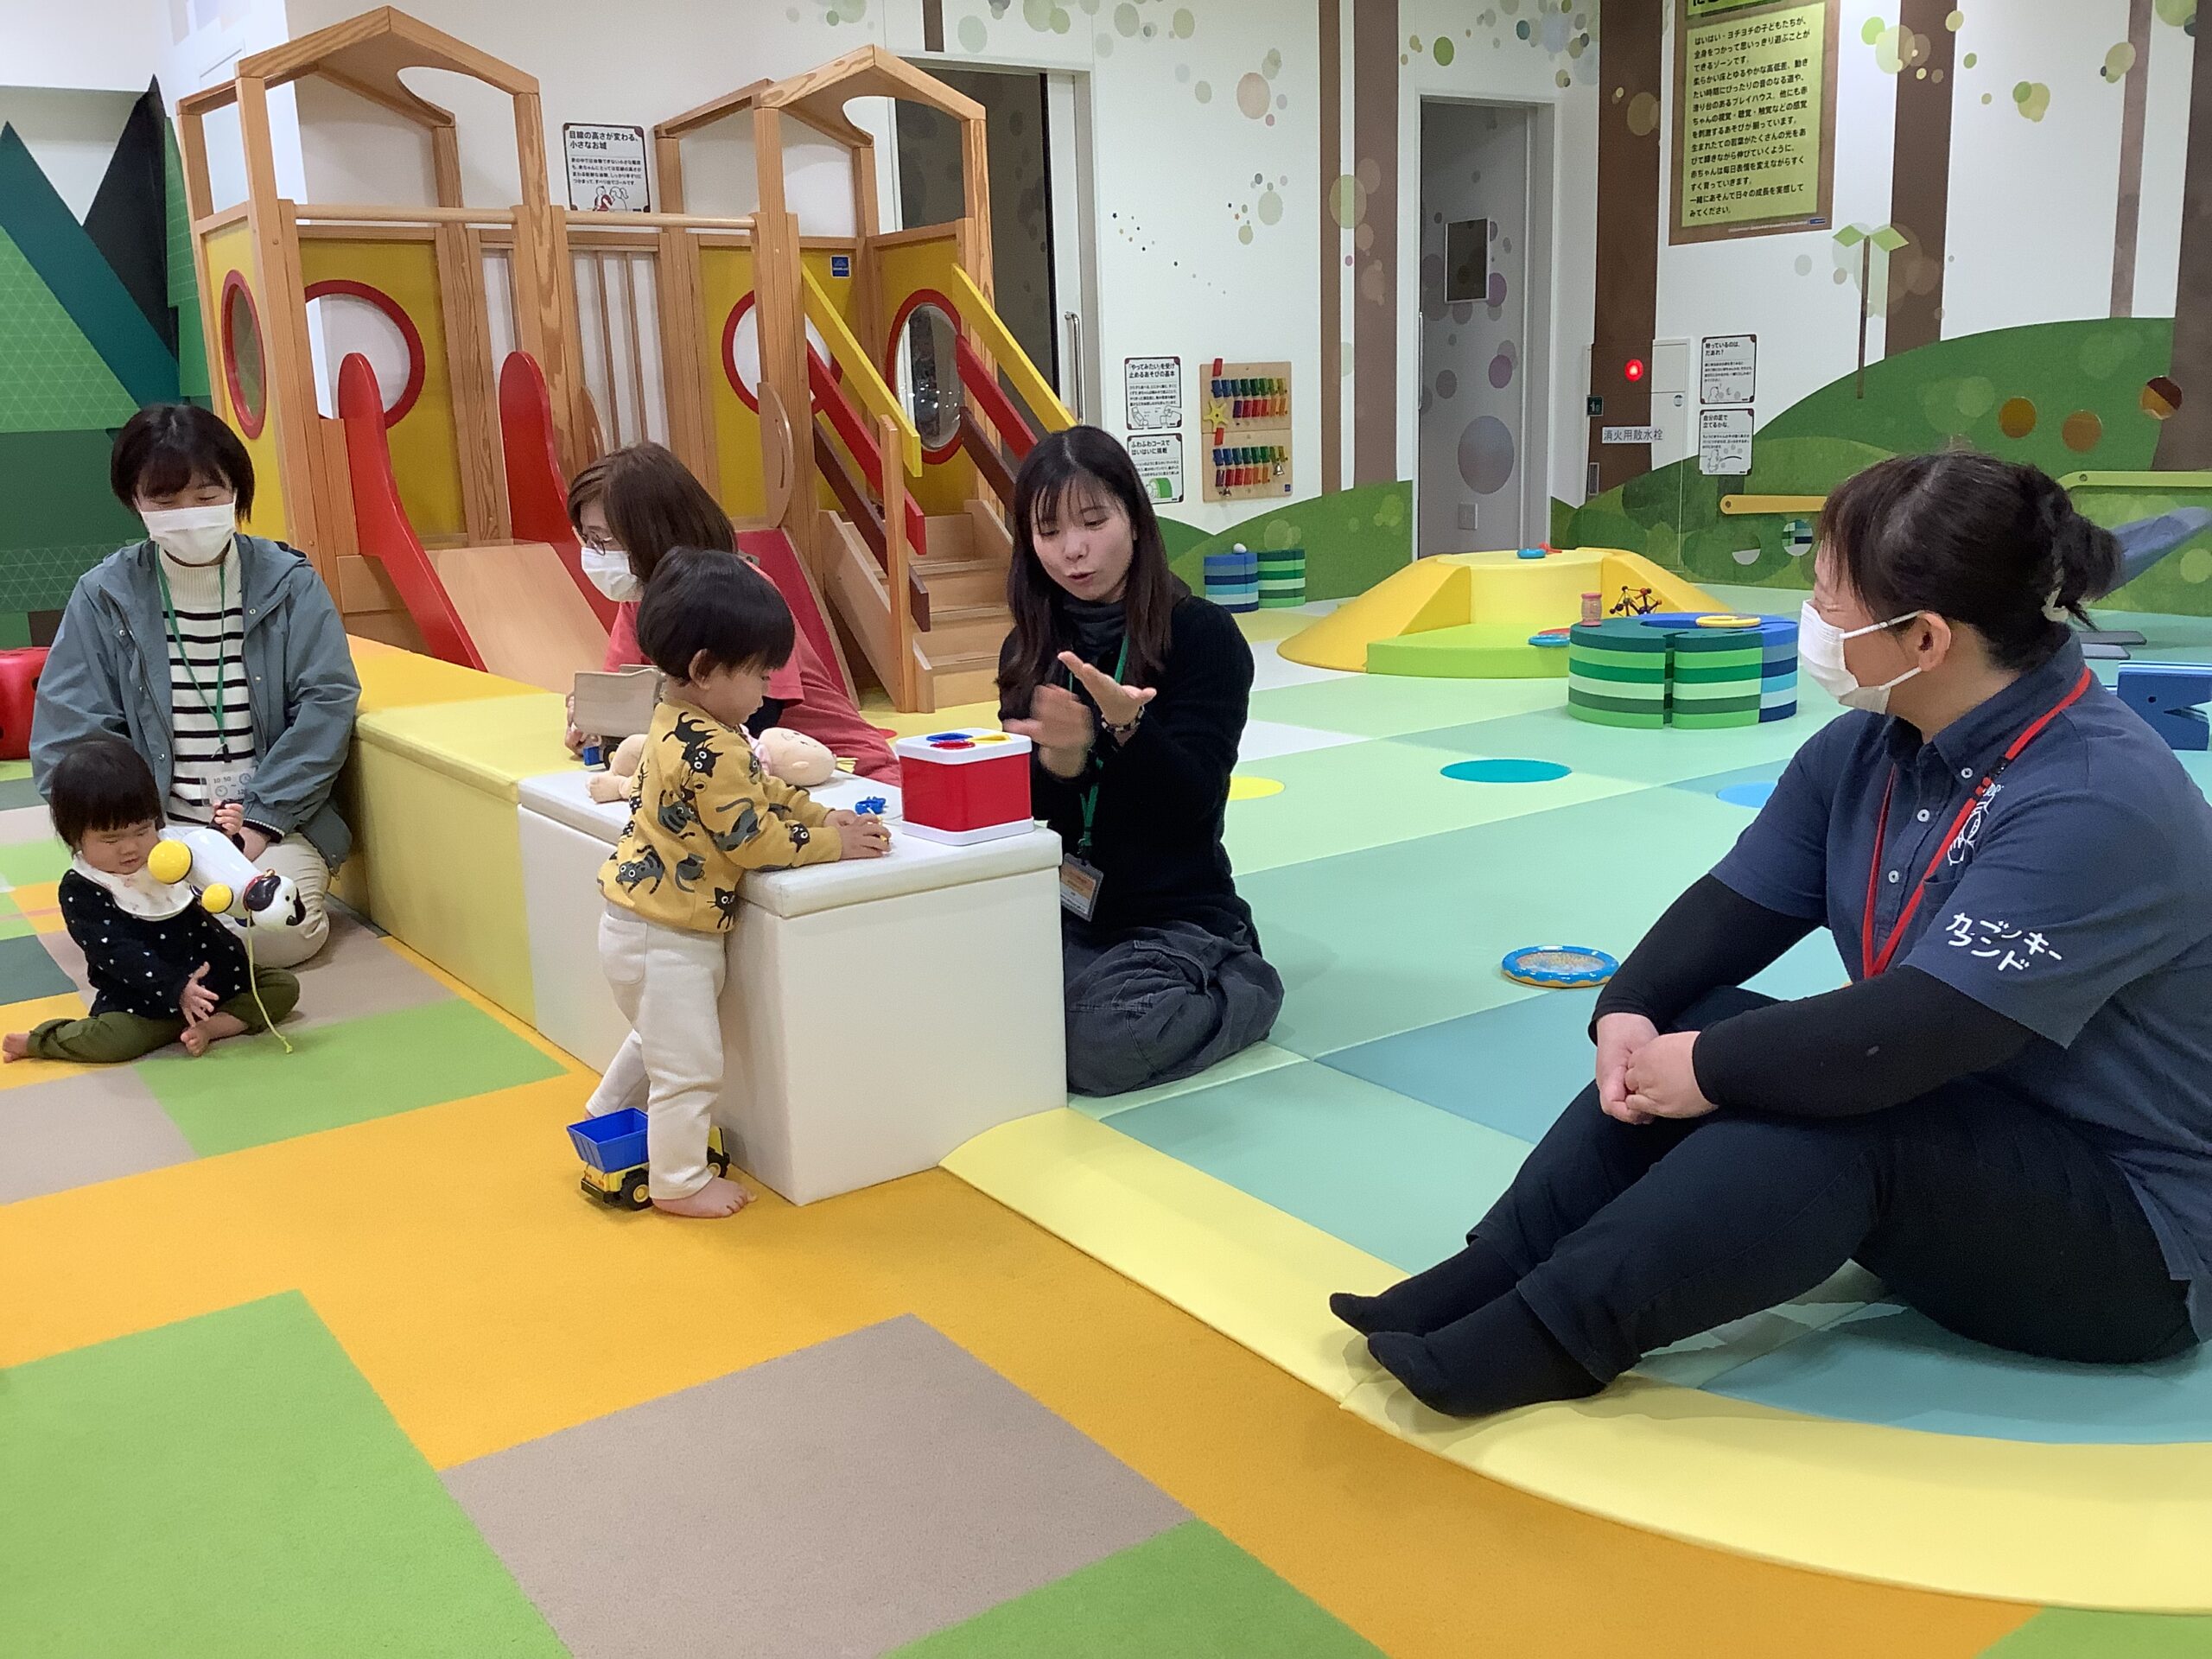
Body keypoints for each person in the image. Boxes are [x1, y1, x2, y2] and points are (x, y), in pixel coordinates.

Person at [1334, 454, 2212, 1418]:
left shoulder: (2095, 797)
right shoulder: (1871, 745)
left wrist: (1706, 1069)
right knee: (1710, 1020)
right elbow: (1733, 907)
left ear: (1924, 638)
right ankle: (1496, 1268)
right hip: (1969, 1124)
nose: (1814, 617)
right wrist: (1630, 1010)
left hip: (2136, 1237)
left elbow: (1921, 1032)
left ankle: (1549, 1334)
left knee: (1831, 1099)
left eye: (1830, 597)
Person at [586, 547, 891, 1217]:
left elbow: (763, 789)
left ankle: (604, 1117)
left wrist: (820, 813)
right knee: (689, 1068)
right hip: (666, 936)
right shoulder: (717, 746)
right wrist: (832, 844)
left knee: (655, 1039)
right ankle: (678, 1182)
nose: (765, 691)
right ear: (704, 670)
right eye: (757, 674)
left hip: (636, 923)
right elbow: (752, 841)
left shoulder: (679, 721)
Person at [997, 426, 1283, 1097]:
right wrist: (1061, 762)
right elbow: (1030, 814)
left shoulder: (1201, 635)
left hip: (1173, 915)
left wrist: (1128, 728)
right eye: (1049, 532)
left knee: (1100, 1040)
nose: (1073, 549)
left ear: (1133, 519)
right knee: (962, 1002)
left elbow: (1193, 807)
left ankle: (1240, 981)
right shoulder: (1028, 647)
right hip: (1065, 908)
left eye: (1094, 522)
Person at [31, 405, 359, 969]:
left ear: (236, 492)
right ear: (134, 501)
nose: (188, 515)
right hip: (152, 831)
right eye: (165, 501)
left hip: (275, 823)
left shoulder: (290, 583)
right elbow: (70, 734)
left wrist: (259, 822)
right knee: (129, 929)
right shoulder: (104, 594)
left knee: (274, 937)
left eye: (207, 496)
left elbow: (327, 705)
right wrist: (135, 833)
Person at [565, 442, 899, 783]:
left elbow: (752, 714)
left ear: (650, 531)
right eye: (589, 540)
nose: (594, 554)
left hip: (837, 769)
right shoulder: (638, 597)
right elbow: (620, 690)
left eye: (602, 539)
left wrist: (632, 726)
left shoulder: (737, 591)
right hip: (740, 771)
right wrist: (593, 718)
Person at [3, 737, 298, 1063]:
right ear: (74, 838)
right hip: (144, 1001)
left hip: (218, 983)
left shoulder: (168, 853)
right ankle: (43, 1040)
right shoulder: (83, 888)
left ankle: (212, 1027)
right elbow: (117, 951)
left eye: (142, 831)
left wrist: (223, 835)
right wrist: (176, 989)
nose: (130, 848)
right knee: (112, 1042)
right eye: (111, 839)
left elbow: (213, 866)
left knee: (282, 986)